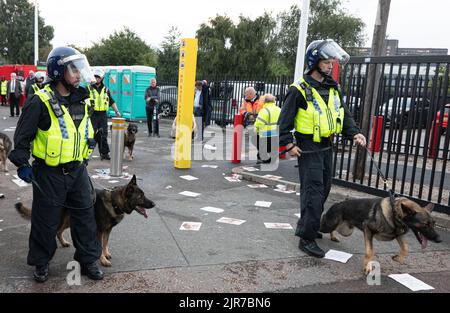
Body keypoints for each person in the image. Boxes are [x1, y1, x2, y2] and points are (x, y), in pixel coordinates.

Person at [8, 46, 104, 283]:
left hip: (77, 170)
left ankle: (88, 259)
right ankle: (41, 262)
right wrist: (22, 163)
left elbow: (85, 132)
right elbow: (21, 139)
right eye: (74, 69)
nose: (79, 75)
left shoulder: (83, 99)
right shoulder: (39, 101)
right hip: (49, 173)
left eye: (79, 69)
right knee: (45, 220)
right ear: (59, 71)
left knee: (85, 217)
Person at [278, 39, 367, 258]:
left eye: (332, 62)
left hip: (327, 145)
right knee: (313, 192)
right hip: (308, 146)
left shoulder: (332, 87)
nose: (330, 66)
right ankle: (306, 238)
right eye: (326, 62)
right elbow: (284, 122)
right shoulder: (299, 89)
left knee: (324, 188)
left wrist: (354, 131)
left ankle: (306, 225)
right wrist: (289, 144)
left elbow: (343, 113)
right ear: (315, 62)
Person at [88, 68, 121, 160]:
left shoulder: (106, 89)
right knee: (91, 134)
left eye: (98, 77)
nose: (96, 79)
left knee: (103, 134)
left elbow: (111, 101)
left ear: (102, 78)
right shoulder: (88, 88)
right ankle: (86, 154)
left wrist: (117, 111)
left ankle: (104, 153)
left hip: (103, 115)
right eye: (95, 77)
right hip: (92, 114)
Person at [254, 94, 281, 164]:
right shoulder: (279, 109)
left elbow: (259, 123)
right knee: (273, 148)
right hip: (276, 133)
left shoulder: (264, 110)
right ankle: (272, 159)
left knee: (260, 144)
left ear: (265, 101)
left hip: (266, 134)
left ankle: (262, 158)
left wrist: (255, 131)